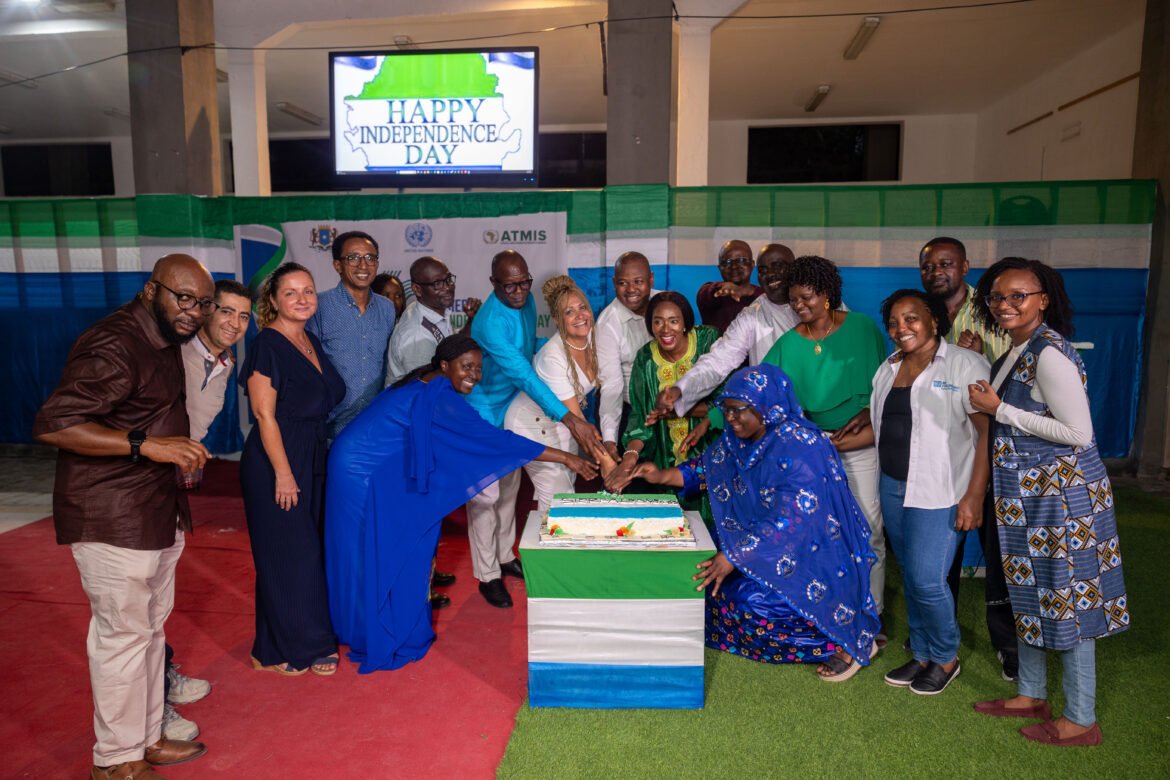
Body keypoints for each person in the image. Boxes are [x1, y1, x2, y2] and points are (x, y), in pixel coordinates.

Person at [34, 254, 213, 779]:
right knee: (121, 639)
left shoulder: (164, 338)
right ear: (151, 290)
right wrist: (146, 445)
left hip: (155, 510)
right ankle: (114, 761)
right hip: (112, 516)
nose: (194, 312)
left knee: (149, 632)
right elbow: (55, 424)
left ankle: (146, 737)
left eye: (203, 303)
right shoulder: (114, 343)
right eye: (184, 299)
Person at [325, 335, 597, 672]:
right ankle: (371, 630)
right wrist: (567, 458)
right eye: (466, 367)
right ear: (444, 365)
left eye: (479, 369)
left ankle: (362, 626)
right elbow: (497, 441)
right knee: (367, 552)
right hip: (359, 470)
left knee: (373, 550)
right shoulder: (440, 397)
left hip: (362, 461)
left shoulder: (429, 382)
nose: (474, 375)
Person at [607, 366, 880, 680]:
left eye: (739, 410)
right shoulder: (737, 440)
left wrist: (733, 557)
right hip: (752, 541)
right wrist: (660, 476)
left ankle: (839, 641)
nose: (731, 418)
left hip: (809, 556)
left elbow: (792, 519)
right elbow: (705, 469)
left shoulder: (802, 445)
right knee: (696, 566)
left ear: (766, 407)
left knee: (751, 602)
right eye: (727, 409)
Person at [969, 257, 1128, 747]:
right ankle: (1032, 694)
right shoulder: (1015, 350)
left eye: (1019, 295)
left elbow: (1079, 433)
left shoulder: (1050, 354)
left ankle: (1081, 719)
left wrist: (1002, 410)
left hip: (1062, 500)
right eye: (997, 296)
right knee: (1029, 594)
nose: (1006, 304)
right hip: (1025, 500)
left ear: (1043, 299)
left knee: (1070, 603)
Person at [870, 289, 990, 695]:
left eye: (911, 318)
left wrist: (973, 496)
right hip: (893, 487)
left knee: (927, 580)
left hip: (940, 491)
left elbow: (987, 433)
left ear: (934, 321)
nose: (901, 328)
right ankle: (921, 654)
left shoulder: (964, 363)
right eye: (894, 322)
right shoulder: (888, 368)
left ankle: (945, 657)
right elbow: (889, 425)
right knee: (911, 575)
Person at [466, 251, 602, 608]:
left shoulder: (524, 301)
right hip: (484, 411)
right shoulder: (491, 322)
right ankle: (487, 575)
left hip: (513, 404)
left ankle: (504, 556)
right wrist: (568, 417)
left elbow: (528, 354)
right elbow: (524, 374)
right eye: (509, 285)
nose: (519, 291)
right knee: (485, 497)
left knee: (509, 489)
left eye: (524, 282)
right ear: (493, 284)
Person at [762, 255, 888, 625]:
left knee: (869, 531)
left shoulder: (862, 328)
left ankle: (872, 614)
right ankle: (828, 614)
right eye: (793, 300)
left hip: (862, 445)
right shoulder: (787, 344)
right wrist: (713, 416)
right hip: (813, 452)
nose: (799, 306)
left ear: (828, 293)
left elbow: (883, 390)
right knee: (817, 536)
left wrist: (865, 415)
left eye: (807, 297)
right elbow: (760, 390)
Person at [239, 262, 345, 676]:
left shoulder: (308, 340)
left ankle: (271, 647)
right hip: (277, 460)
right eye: (291, 292)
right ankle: (308, 646)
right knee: (293, 553)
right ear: (273, 300)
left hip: (312, 454)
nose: (302, 299)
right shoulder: (267, 344)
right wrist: (283, 474)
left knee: (293, 552)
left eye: (308, 291)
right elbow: (263, 415)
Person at [919, 236, 1017, 681]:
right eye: (928, 266)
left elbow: (1017, 372)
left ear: (964, 266)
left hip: (994, 447)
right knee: (942, 550)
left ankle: (1008, 645)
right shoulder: (922, 312)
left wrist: (979, 362)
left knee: (999, 551)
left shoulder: (994, 309)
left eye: (945, 264)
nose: (936, 272)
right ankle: (938, 639)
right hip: (943, 450)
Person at [163, 278, 252, 741]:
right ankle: (152, 706)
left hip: (170, 484)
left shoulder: (226, 362)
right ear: (205, 310)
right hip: (138, 480)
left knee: (157, 599)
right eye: (226, 311)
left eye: (244, 316)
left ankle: (161, 676)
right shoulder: (173, 353)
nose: (235, 323)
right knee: (138, 609)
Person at [654, 243, 797, 420]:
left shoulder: (817, 304)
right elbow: (719, 360)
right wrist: (680, 390)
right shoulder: (753, 314)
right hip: (772, 414)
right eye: (763, 270)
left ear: (794, 268)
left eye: (778, 266)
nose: (770, 274)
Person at [613, 291, 720, 514]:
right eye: (658, 321)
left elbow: (729, 401)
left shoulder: (708, 341)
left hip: (711, 450)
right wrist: (628, 461)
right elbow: (641, 418)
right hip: (665, 460)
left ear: (685, 322)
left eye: (673, 321)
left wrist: (681, 411)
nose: (665, 329)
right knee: (675, 526)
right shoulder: (646, 358)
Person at [504, 275, 600, 513]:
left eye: (582, 307)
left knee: (565, 490)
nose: (580, 316)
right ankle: (548, 536)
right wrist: (606, 462)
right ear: (557, 320)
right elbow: (577, 421)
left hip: (562, 422)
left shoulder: (593, 338)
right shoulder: (552, 356)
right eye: (569, 312)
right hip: (532, 425)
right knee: (559, 500)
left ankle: (550, 532)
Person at [307, 230, 396, 439]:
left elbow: (387, 363)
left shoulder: (387, 308)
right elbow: (308, 368)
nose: (363, 265)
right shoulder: (319, 306)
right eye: (353, 258)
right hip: (330, 428)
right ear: (337, 265)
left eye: (370, 258)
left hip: (373, 424)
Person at [595, 251, 660, 462]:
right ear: (614, 283)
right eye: (623, 283)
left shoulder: (666, 305)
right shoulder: (607, 325)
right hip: (628, 410)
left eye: (638, 281)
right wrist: (610, 439)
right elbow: (612, 386)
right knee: (633, 475)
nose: (631, 289)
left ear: (651, 279)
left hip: (665, 409)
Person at [384, 256, 481, 387]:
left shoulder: (432, 309)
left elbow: (454, 350)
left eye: (448, 279)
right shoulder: (417, 338)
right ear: (417, 289)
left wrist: (471, 321)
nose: (447, 287)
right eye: (437, 284)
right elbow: (428, 390)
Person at [695, 239, 763, 333]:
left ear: (752, 265)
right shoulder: (713, 294)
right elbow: (705, 294)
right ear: (720, 268)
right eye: (727, 262)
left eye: (741, 260)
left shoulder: (764, 297)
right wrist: (722, 287)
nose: (734, 266)